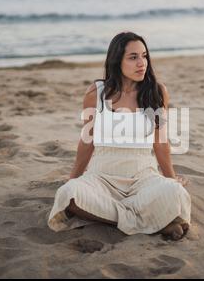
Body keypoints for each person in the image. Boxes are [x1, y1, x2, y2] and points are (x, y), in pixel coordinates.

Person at [47, 31, 191, 240]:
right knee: (67, 195)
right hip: (101, 177)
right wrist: (73, 179)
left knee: (175, 193)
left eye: (144, 56)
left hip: (143, 178)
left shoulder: (157, 92)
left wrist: (170, 179)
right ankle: (144, 222)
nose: (141, 63)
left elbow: (161, 142)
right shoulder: (96, 93)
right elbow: (87, 142)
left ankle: (116, 217)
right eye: (133, 57)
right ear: (117, 61)